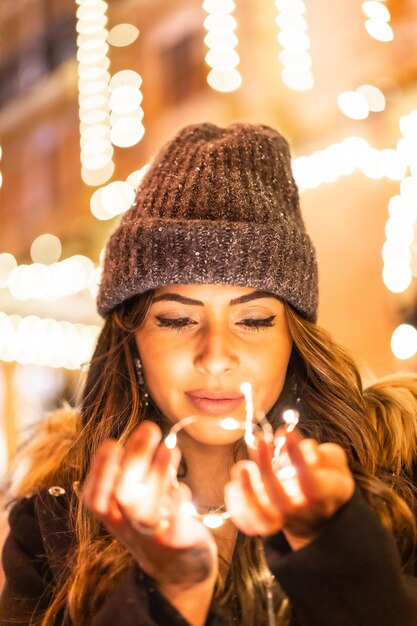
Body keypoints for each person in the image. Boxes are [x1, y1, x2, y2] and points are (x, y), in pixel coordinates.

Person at [1, 122, 417, 626]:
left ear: (294, 338)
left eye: (254, 320)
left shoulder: (394, 484)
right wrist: (171, 590)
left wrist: (337, 551)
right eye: (177, 319)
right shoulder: (54, 525)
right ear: (131, 338)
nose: (216, 356)